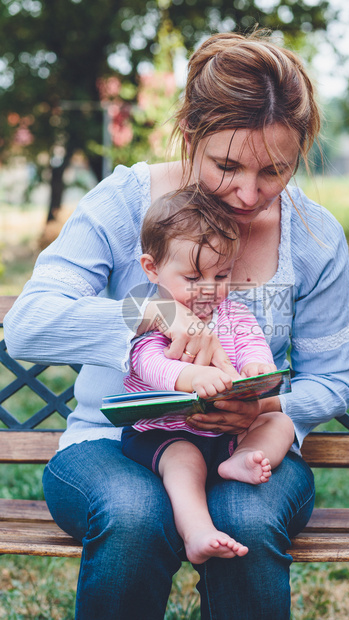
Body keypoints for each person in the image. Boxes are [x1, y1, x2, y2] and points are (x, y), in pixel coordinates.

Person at [3, 29, 349, 620]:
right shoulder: (122, 204)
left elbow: (331, 379)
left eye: (275, 170)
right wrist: (152, 312)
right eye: (227, 165)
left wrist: (265, 410)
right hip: (110, 445)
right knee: (136, 514)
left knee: (247, 514)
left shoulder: (316, 238)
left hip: (244, 447)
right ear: (190, 136)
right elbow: (29, 325)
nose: (250, 195)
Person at [121, 188, 295, 564]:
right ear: (152, 268)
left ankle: (246, 458)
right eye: (193, 276)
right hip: (167, 433)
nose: (209, 289)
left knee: (279, 423)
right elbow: (151, 364)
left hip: (228, 433)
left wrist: (257, 369)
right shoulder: (154, 316)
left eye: (221, 275)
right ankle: (197, 530)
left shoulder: (232, 312)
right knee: (185, 463)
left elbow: (251, 343)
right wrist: (192, 376)